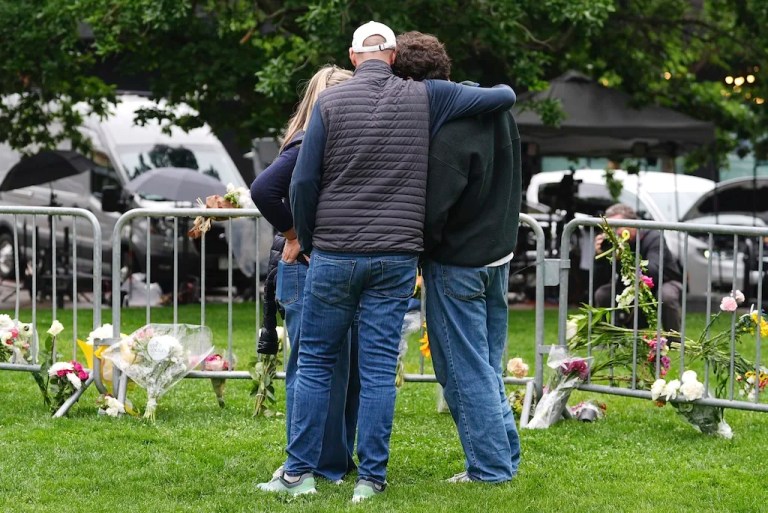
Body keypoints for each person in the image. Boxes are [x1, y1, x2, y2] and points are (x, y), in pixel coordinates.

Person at [258, 21, 516, 502]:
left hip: (334, 254)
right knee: (378, 370)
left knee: (313, 362)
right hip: (396, 257)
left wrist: (308, 238)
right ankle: (372, 479)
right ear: (393, 55)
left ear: (353, 57)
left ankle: (298, 474)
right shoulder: (428, 97)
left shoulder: (330, 103)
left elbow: (303, 183)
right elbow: (502, 94)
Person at [392, 31, 521, 483]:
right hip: (497, 255)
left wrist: (418, 250)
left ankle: (489, 468)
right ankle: (504, 458)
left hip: (458, 262)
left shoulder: (449, 129)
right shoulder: (495, 109)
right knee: (485, 365)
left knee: (463, 369)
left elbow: (434, 211)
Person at [250, 65, 358, 484]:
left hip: (320, 264)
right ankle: (313, 460)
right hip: (303, 266)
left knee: (337, 370)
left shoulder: (324, 139)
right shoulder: (306, 141)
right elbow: (263, 190)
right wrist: (297, 233)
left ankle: (331, 460)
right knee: (314, 370)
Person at [593, 203, 683, 332]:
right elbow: (597, 282)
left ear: (632, 224)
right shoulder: (612, 244)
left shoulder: (653, 237)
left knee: (666, 295)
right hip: (630, 284)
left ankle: (675, 342)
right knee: (603, 294)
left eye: (617, 227)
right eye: (610, 228)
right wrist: (600, 257)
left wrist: (624, 256)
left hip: (664, 282)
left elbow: (653, 272)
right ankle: (612, 340)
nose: (614, 233)